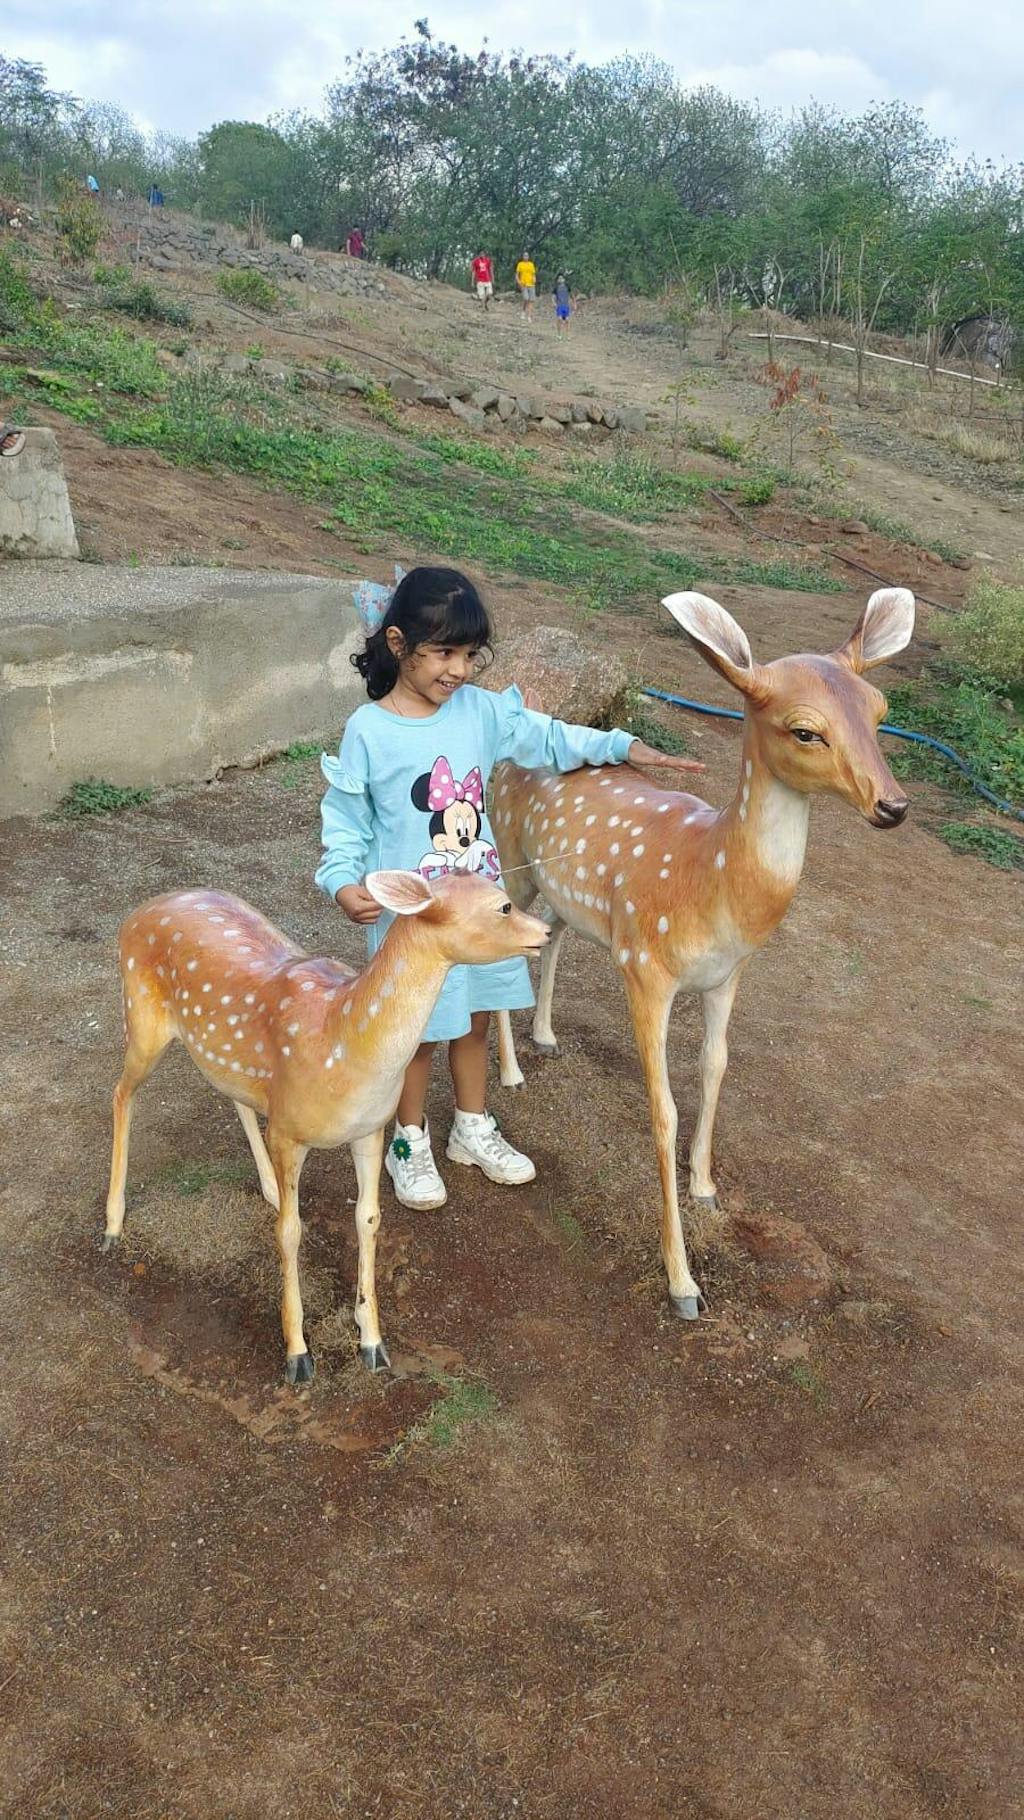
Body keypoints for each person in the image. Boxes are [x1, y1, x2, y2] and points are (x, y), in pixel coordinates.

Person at [316, 565, 702, 1210]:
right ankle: (408, 1141)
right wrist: (341, 880)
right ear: (398, 644)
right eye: (444, 653)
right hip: (414, 921)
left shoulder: (479, 712)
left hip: (479, 916)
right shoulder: (370, 731)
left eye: (469, 655)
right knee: (415, 1034)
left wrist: (621, 746)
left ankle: (471, 1127)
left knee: (473, 1021)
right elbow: (346, 818)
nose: (459, 670)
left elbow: (547, 737)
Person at [515, 252, 536, 321]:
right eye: (524, 256)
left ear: (528, 257)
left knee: (531, 300)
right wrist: (518, 282)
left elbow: (533, 274)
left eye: (527, 256)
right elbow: (517, 275)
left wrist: (534, 278)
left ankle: (529, 316)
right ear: (522, 257)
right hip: (523, 284)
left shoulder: (531, 264)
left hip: (531, 284)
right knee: (526, 298)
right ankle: (523, 311)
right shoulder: (520, 264)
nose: (525, 257)